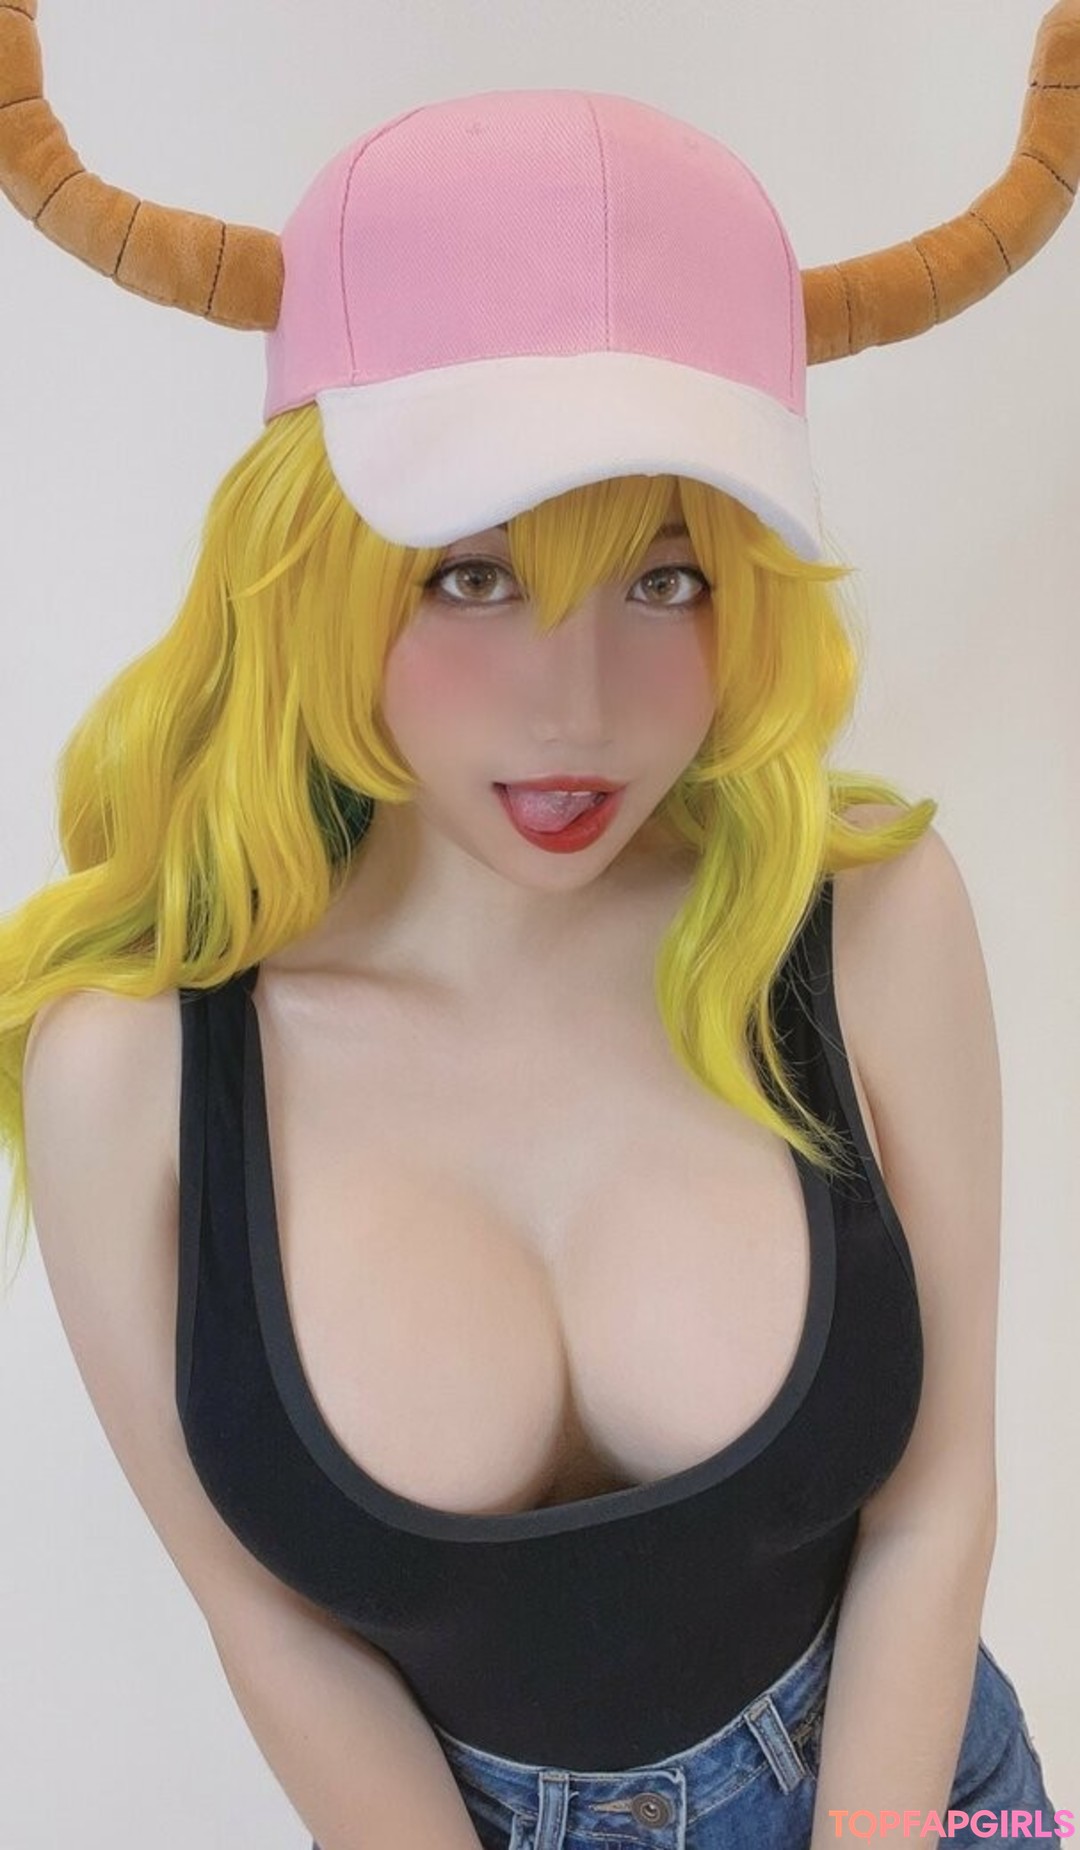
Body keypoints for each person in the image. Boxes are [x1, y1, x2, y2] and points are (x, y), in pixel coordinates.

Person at [0, 6, 1075, 1847]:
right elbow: (269, 1617)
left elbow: (938, 1496)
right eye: (472, 575)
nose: (578, 706)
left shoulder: (870, 918)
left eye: (665, 576)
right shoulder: (134, 1071)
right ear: (311, 568)